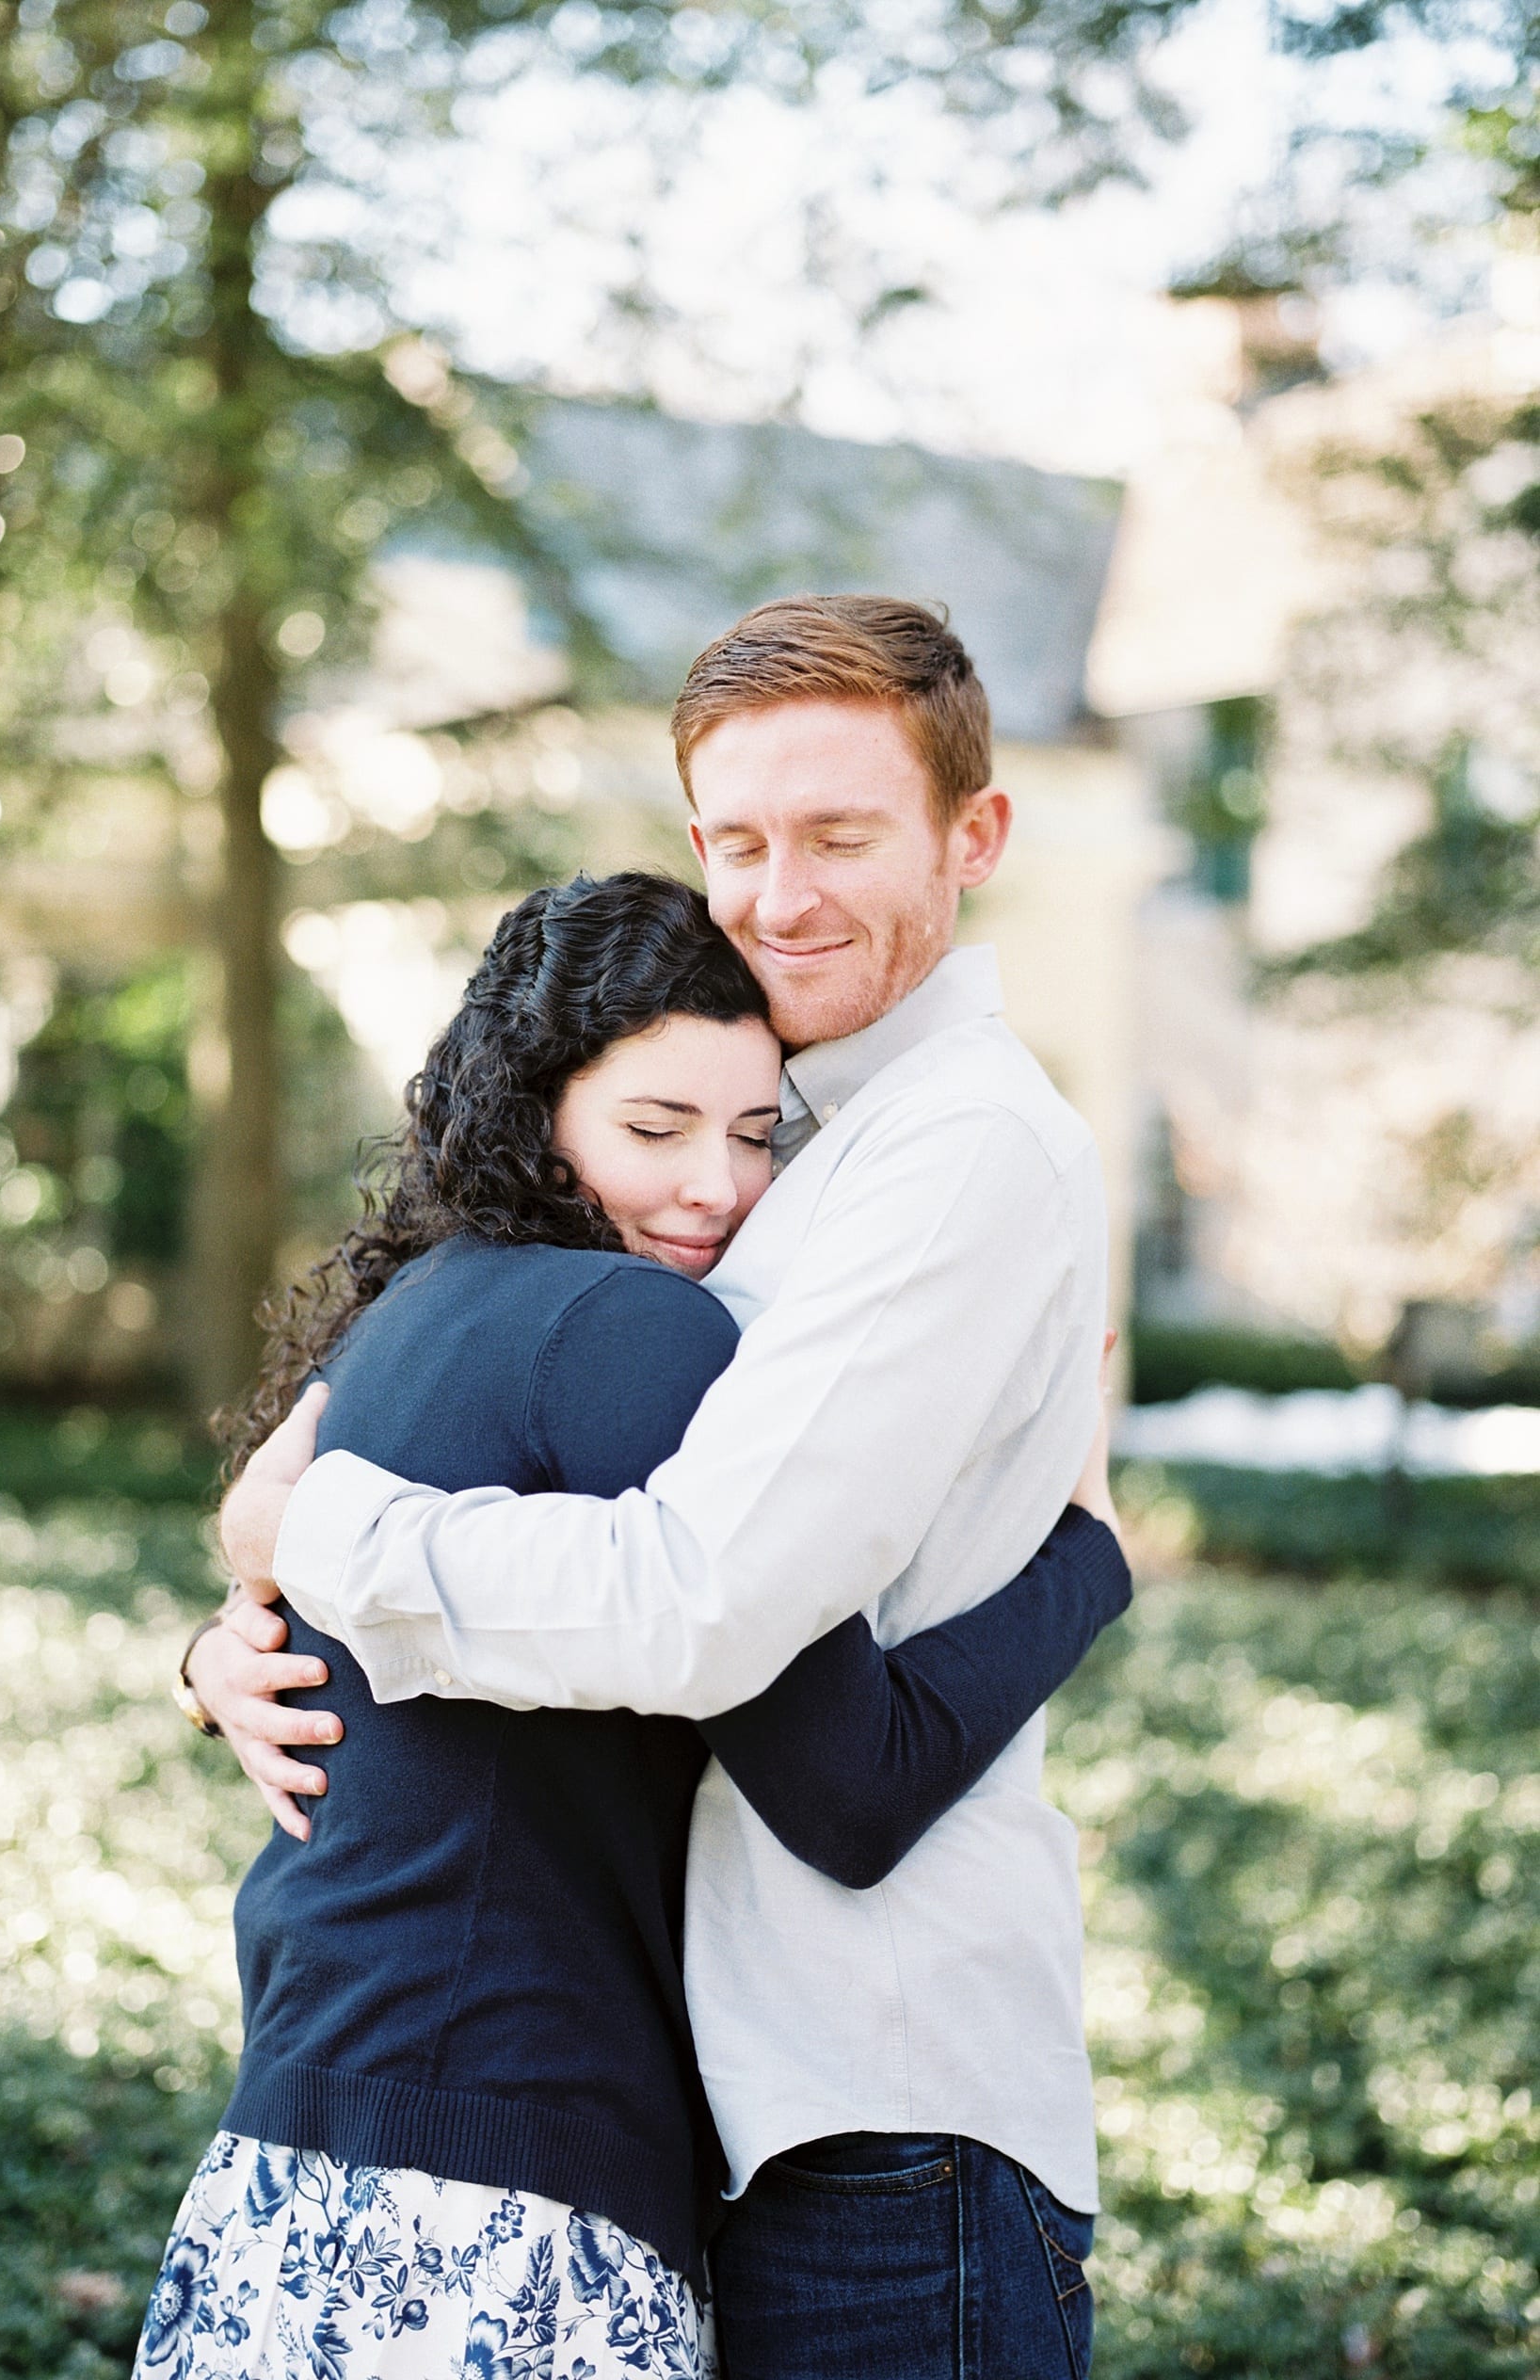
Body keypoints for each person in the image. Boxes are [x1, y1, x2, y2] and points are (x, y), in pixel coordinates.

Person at [209, 595, 1122, 2379]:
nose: (780, 895)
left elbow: (698, 1602)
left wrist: (312, 1533)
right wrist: (228, 1634)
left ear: (975, 837)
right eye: (738, 842)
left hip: (879, 2091)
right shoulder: (786, 1128)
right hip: (698, 2097)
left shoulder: (954, 1148)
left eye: (843, 836)